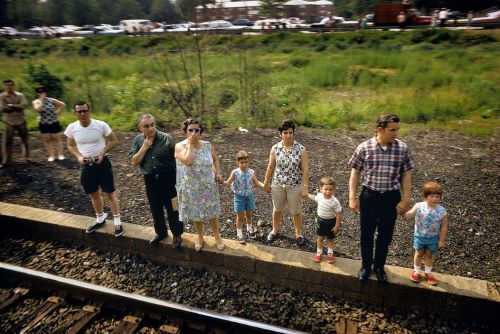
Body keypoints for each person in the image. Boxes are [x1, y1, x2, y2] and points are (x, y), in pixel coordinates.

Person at [348, 114, 414, 283]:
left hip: (391, 198)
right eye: (392, 130)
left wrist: (406, 199)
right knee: (366, 234)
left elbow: (406, 174)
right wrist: (352, 197)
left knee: (386, 235)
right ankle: (366, 266)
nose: (396, 133)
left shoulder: (402, 149)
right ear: (380, 130)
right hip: (369, 196)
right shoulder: (364, 147)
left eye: (397, 129)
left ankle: (379, 267)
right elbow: (355, 172)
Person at [64, 101, 124, 237]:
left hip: (102, 163)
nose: (83, 114)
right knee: (94, 194)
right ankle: (100, 218)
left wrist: (102, 153)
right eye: (79, 111)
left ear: (89, 111)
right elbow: (70, 145)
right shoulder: (72, 128)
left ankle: (117, 222)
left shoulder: (100, 125)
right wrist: (79, 156)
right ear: (75, 113)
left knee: (109, 193)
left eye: (85, 111)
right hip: (86, 165)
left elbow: (114, 140)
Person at [129, 114, 183, 247]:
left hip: (169, 178)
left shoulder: (166, 138)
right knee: (155, 208)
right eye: (146, 126)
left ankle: (177, 234)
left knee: (173, 208)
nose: (151, 128)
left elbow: (177, 158)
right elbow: (134, 162)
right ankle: (161, 232)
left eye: (152, 125)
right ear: (140, 128)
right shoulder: (137, 141)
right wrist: (144, 147)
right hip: (151, 180)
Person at [174, 118, 225, 252]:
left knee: (212, 213)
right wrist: (191, 144)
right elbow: (189, 161)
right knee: (196, 213)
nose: (194, 132)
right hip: (191, 188)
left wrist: (218, 173)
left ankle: (217, 237)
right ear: (185, 131)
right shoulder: (179, 146)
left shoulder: (207, 145)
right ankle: (200, 236)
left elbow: (215, 159)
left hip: (208, 186)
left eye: (197, 130)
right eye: (191, 130)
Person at [263, 119, 309, 246]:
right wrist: (266, 182)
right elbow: (270, 167)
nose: (288, 135)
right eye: (285, 133)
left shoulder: (301, 149)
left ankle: (298, 233)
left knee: (296, 211)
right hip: (278, 185)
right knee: (277, 209)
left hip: (295, 185)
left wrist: (305, 188)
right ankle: (275, 230)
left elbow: (305, 169)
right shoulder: (275, 149)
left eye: (290, 132)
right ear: (280, 134)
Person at [404, 182, 448, 285]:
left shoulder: (442, 211)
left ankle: (428, 273)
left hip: (433, 237)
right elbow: (409, 215)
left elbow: (444, 226)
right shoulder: (419, 206)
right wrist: (402, 212)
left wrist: (441, 240)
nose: (435, 199)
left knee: (429, 255)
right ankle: (416, 271)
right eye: (432, 196)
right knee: (419, 253)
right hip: (419, 236)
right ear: (425, 196)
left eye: (437, 196)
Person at [222, 150, 264, 244]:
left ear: (248, 162)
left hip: (249, 196)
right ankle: (239, 233)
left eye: (246, 162)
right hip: (239, 197)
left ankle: (249, 228)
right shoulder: (235, 172)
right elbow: (228, 183)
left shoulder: (251, 172)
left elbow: (256, 183)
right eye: (242, 162)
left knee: (249, 214)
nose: (244, 164)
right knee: (240, 216)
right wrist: (221, 181)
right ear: (237, 163)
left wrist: (265, 186)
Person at [307, 176, 342, 264]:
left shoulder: (335, 201)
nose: (328, 192)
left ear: (334, 190)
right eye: (325, 189)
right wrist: (307, 194)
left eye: (330, 190)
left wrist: (337, 225)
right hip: (320, 221)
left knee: (330, 239)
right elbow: (314, 198)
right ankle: (319, 252)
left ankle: (330, 253)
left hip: (331, 222)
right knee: (320, 238)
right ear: (321, 189)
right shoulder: (319, 196)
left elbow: (338, 213)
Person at [0, 79, 29, 168]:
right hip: (9, 121)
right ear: (5, 86)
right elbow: (2, 108)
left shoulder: (20, 95)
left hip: (21, 120)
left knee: (25, 140)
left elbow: (24, 105)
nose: (9, 87)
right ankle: (6, 160)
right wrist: (17, 106)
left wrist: (11, 106)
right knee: (7, 142)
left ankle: (27, 157)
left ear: (13, 86)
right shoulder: (2, 96)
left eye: (10, 85)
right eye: (7, 85)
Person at [32, 86, 66, 162]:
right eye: (40, 92)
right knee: (48, 140)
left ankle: (60, 154)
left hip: (54, 122)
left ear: (46, 92)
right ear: (37, 93)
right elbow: (38, 109)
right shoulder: (36, 101)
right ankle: (51, 155)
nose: (42, 94)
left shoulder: (51, 100)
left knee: (56, 139)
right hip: (43, 123)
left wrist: (57, 112)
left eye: (43, 92)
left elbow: (63, 104)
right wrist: (41, 100)